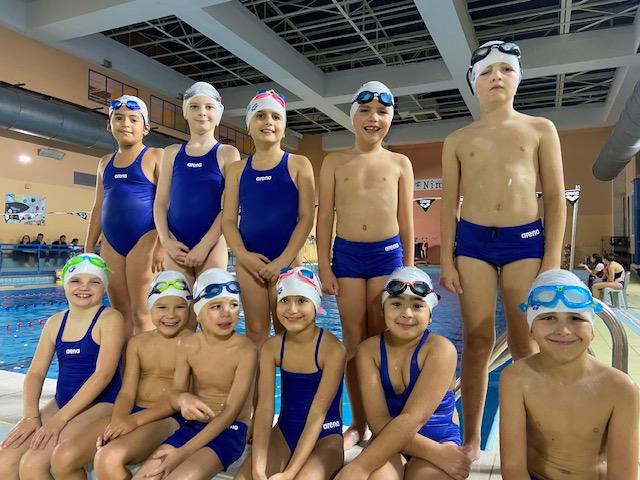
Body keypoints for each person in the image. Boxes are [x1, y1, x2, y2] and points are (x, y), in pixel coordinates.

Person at [439, 40, 566, 460]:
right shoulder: (458, 139)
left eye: (506, 70)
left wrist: (551, 261)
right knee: (477, 340)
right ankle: (471, 438)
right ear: (474, 83)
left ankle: (537, 436)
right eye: (487, 72)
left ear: (518, 78)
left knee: (525, 341)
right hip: (473, 242)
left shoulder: (539, 129)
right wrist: (445, 260)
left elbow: (555, 198)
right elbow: (449, 203)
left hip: (524, 241)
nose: (497, 77)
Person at [317, 81, 414, 449]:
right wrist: (324, 266)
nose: (374, 118)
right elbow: (325, 217)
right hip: (347, 256)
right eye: (365, 111)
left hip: (387, 256)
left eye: (382, 112)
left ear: (391, 118)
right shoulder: (334, 161)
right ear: (352, 116)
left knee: (385, 341)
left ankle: (383, 421)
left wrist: (409, 270)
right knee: (354, 342)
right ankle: (358, 422)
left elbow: (406, 221)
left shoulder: (400, 163)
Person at [50, 271, 191, 480]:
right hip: (132, 412)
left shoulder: (192, 344)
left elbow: (176, 398)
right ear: (150, 307)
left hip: (169, 418)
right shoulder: (137, 343)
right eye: (161, 307)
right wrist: (118, 421)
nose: (171, 315)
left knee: (108, 459)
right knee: (63, 458)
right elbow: (126, 392)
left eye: (180, 307)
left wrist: (133, 422)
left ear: (189, 308)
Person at [500, 269, 638, 479]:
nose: (563, 330)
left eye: (576, 318)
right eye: (548, 317)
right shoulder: (516, 379)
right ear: (531, 330)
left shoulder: (620, 388)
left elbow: (623, 475)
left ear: (592, 330)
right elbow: (513, 467)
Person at [335, 267, 468, 480]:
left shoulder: (441, 350)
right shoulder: (369, 351)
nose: (407, 313)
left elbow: (414, 417)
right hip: (387, 440)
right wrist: (361, 468)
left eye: (417, 306)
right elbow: (378, 421)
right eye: (396, 304)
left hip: (438, 440)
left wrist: (358, 467)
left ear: (430, 315)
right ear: (383, 310)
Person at [0, 254, 124, 480]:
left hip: (103, 404)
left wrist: (59, 419)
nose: (84, 288)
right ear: (65, 283)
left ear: (104, 287)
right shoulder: (55, 322)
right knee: (5, 459)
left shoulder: (110, 319)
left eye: (94, 282)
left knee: (33, 464)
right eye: (76, 280)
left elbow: (103, 375)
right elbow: (35, 373)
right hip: (63, 401)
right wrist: (30, 417)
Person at [133, 268, 257, 479]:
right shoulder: (187, 344)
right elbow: (175, 393)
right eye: (216, 306)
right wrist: (183, 398)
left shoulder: (246, 351)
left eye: (233, 305)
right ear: (198, 313)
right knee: (144, 477)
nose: (227, 313)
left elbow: (231, 412)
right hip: (193, 426)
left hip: (231, 430)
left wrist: (182, 453)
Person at [222, 90, 315, 349]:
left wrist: (282, 262)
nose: (268, 122)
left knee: (290, 331)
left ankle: (289, 377)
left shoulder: (299, 164)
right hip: (248, 262)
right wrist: (242, 255)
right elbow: (228, 220)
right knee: (255, 331)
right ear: (249, 126)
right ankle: (259, 378)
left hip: (287, 261)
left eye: (276, 117)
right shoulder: (237, 169)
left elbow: (307, 217)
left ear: (284, 128)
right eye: (260, 116)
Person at [235, 267, 345, 480]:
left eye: (302, 301)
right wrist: (258, 468)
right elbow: (265, 409)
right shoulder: (272, 347)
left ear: (316, 304)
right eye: (284, 300)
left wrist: (290, 473)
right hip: (285, 433)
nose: (292, 309)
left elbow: (318, 414)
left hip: (325, 436)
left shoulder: (332, 350)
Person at [154, 82, 240, 329]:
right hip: (176, 244)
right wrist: (166, 241)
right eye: (194, 106)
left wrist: (204, 245)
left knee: (212, 318)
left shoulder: (227, 153)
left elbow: (229, 208)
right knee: (181, 319)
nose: (202, 112)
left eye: (208, 107)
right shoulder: (171, 153)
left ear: (218, 114)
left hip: (211, 244)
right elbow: (160, 203)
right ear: (185, 112)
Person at [85, 95, 164, 336]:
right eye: (118, 118)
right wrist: (88, 247)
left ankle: (146, 361)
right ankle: (126, 360)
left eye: (133, 119)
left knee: (143, 313)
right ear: (109, 125)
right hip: (111, 242)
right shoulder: (104, 162)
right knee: (120, 312)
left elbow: (168, 204)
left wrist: (162, 246)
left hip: (146, 238)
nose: (125, 124)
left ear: (146, 127)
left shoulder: (155, 156)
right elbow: (98, 206)